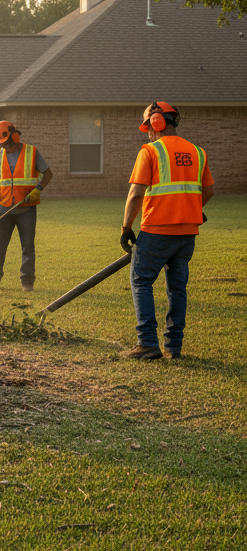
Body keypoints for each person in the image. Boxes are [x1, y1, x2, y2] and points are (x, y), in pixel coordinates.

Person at [121, 102, 213, 360]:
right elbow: (208, 191)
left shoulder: (150, 151)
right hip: (187, 233)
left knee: (141, 281)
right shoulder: (198, 151)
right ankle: (174, 348)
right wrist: (190, 207)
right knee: (177, 288)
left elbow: (136, 192)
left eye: (148, 126)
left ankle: (147, 343)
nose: (148, 132)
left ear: (157, 122)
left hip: (157, 230)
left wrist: (126, 227)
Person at [0, 121, 52, 292]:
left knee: (27, 246)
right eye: (1, 144)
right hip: (4, 208)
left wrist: (38, 189)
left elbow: (48, 173)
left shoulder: (32, 152)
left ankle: (27, 283)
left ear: (15, 136)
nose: (4, 147)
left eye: (6, 143)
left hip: (26, 208)